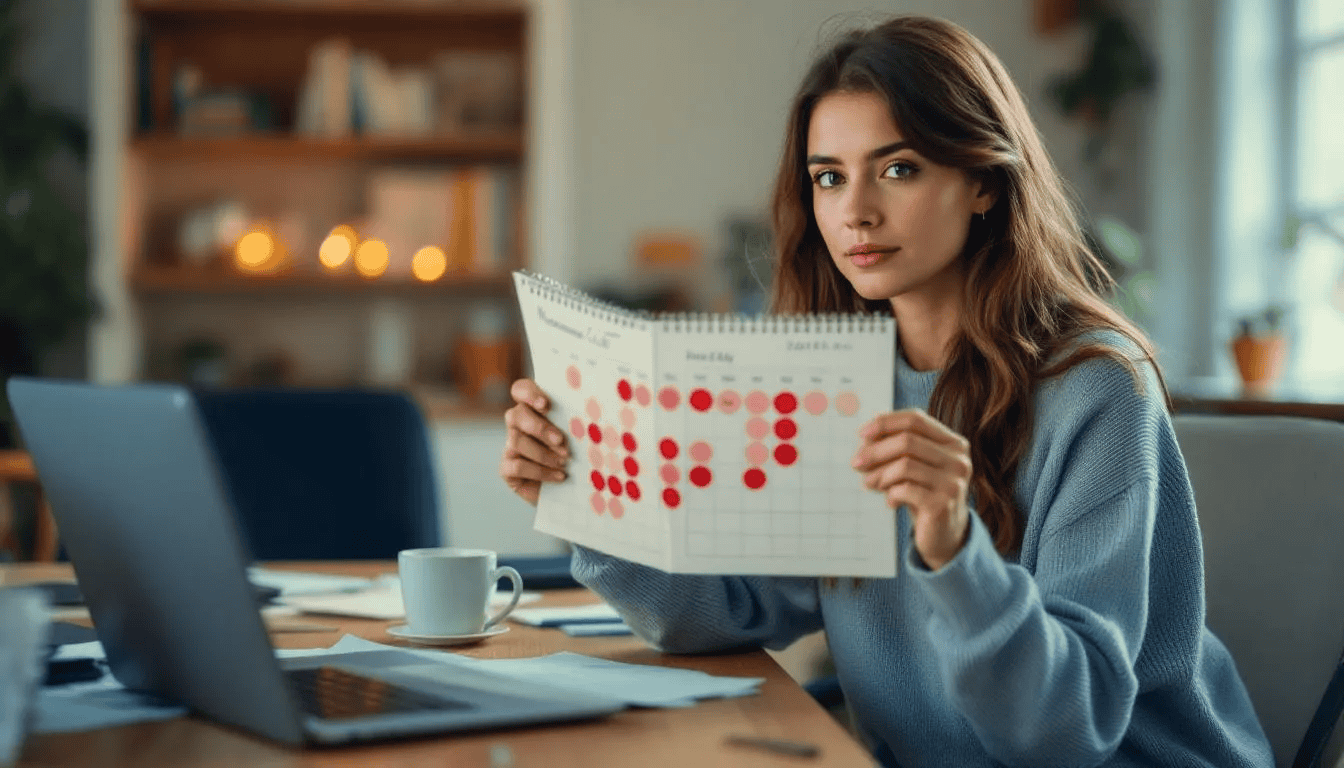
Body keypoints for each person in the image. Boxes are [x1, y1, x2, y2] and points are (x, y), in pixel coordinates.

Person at [499, 14, 1272, 767]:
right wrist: (587, 497)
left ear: (983, 182)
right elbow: (728, 614)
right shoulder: (835, 378)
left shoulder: (1096, 389)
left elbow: (1067, 735)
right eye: (828, 178)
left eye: (898, 168)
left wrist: (953, 547)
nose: (856, 212)